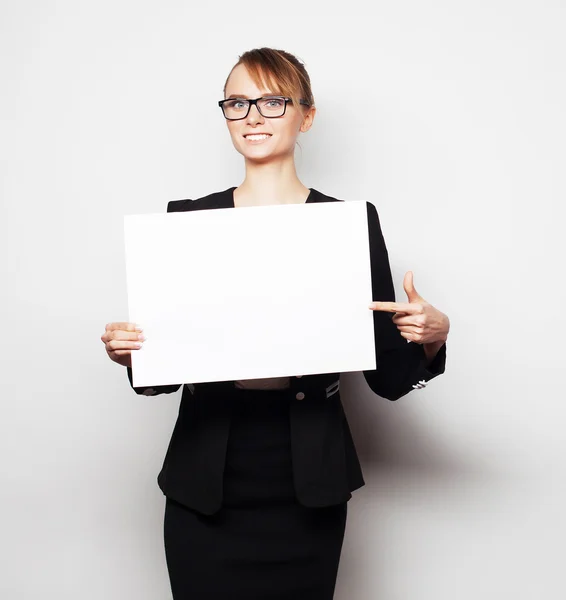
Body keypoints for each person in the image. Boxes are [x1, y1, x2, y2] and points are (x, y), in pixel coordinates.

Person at [101, 47, 449, 600]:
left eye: (272, 100)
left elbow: (387, 380)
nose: (253, 116)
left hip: (308, 473)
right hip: (205, 475)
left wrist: (432, 338)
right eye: (237, 103)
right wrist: (132, 352)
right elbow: (159, 376)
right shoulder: (185, 221)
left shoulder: (349, 223)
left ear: (306, 115)